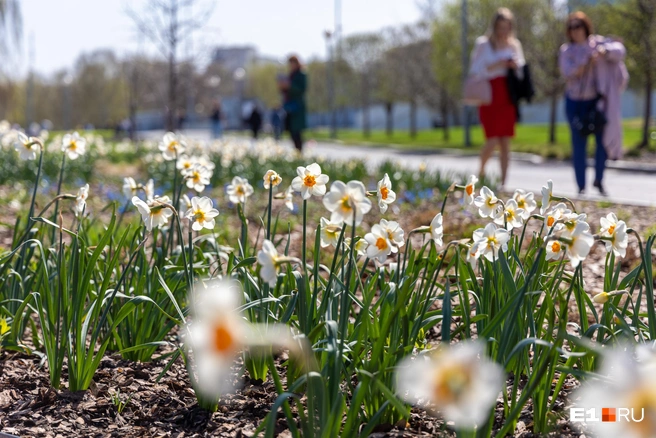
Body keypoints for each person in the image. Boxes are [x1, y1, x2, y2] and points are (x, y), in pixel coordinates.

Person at [559, 11, 628, 195]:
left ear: (586, 26)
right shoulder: (567, 50)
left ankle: (599, 180)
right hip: (575, 103)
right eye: (572, 27)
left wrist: (604, 51)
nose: (575, 30)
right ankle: (581, 186)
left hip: (596, 102)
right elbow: (568, 73)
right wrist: (586, 61)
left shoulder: (597, 43)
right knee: (579, 144)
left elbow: (620, 51)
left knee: (601, 143)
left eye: (578, 26)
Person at [469, 7, 525, 189]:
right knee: (492, 139)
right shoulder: (483, 44)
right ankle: (482, 171)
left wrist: (513, 65)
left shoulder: (514, 44)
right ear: (494, 27)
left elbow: (522, 71)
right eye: (500, 27)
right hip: (489, 94)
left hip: (507, 95)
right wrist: (497, 65)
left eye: (506, 27)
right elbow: (475, 70)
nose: (503, 31)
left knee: (505, 141)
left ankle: (503, 184)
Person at [281, 55, 307, 152]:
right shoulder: (291, 75)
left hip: (297, 107)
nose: (291, 65)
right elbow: (286, 92)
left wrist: (290, 86)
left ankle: (299, 151)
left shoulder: (301, 74)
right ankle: (297, 151)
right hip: (289, 107)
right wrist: (283, 87)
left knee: (297, 131)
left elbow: (302, 89)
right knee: (291, 130)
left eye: (292, 63)